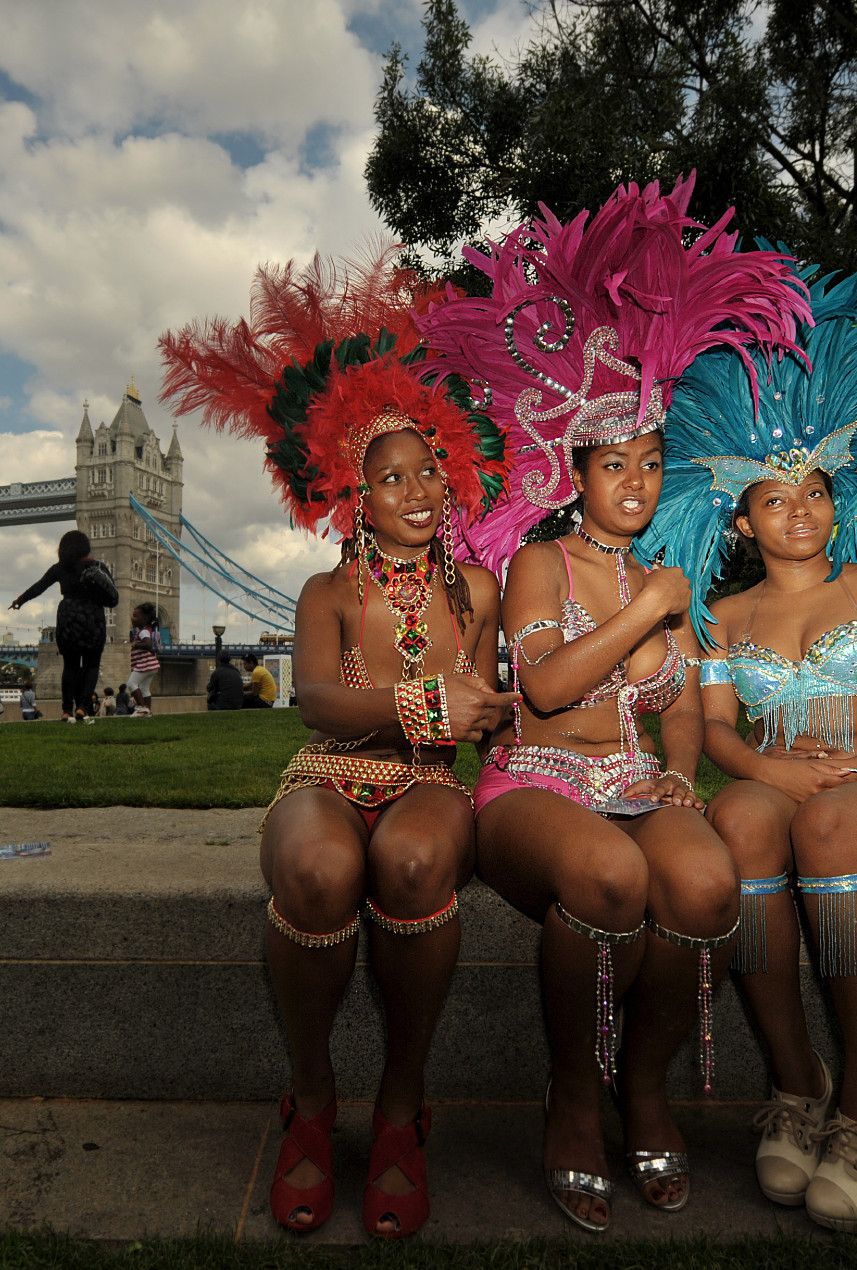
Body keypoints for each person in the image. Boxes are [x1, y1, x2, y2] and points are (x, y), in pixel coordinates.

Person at [419, 177, 809, 1232]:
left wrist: (680, 767)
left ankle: (644, 1084)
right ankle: (572, 1101)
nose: (635, 480)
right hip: (533, 787)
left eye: (649, 463)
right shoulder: (544, 566)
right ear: (575, 474)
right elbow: (541, 688)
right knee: (608, 871)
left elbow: (677, 703)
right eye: (613, 465)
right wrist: (647, 610)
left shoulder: (665, 577)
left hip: (637, 784)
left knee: (703, 879)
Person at [161, 244, 515, 1238]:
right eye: (391, 476)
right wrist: (425, 703)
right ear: (352, 495)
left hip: (428, 787)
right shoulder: (326, 592)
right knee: (316, 867)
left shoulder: (476, 591)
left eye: (430, 472)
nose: (417, 490)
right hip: (326, 771)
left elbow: (488, 703)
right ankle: (310, 1099)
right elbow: (317, 700)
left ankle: (401, 1107)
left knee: (410, 859)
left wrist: (509, 726)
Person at [639, 259, 857, 1235]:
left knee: (830, 821)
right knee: (739, 822)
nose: (798, 509)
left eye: (813, 491)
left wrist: (854, 768)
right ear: (740, 519)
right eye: (774, 497)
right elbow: (711, 731)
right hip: (783, 785)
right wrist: (761, 768)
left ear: (834, 503)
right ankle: (798, 1085)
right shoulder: (718, 615)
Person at [12, 530, 117, 723]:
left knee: (70, 666)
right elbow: (112, 593)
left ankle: (66, 710)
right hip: (92, 617)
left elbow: (39, 586)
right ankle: (83, 707)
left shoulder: (60, 568)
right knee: (91, 665)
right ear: (86, 547)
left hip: (68, 616)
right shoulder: (98, 566)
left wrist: (21, 600)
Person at [127, 603, 162, 712]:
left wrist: (136, 645)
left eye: (136, 616)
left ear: (145, 619)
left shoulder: (143, 632)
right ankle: (148, 711)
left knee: (131, 683)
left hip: (145, 664)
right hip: (152, 666)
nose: (132, 618)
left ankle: (142, 709)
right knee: (144, 689)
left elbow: (148, 644)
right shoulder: (146, 631)